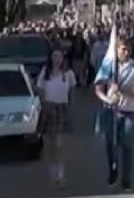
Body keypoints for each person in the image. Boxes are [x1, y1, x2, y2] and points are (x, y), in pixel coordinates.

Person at [94, 37, 134, 192]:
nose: (126, 51)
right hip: (111, 111)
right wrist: (108, 99)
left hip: (129, 111)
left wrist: (125, 91)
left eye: (128, 48)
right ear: (116, 50)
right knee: (110, 144)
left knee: (127, 146)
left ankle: (126, 180)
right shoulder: (108, 65)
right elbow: (98, 88)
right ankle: (113, 170)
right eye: (123, 48)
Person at [36, 49, 77, 187]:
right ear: (51, 58)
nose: (57, 59)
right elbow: (40, 90)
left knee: (60, 144)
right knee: (50, 144)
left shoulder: (68, 74)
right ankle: (52, 172)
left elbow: (72, 92)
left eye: (59, 56)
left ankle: (61, 174)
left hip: (61, 109)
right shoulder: (45, 73)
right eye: (54, 56)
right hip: (48, 109)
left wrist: (68, 108)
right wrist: (43, 106)